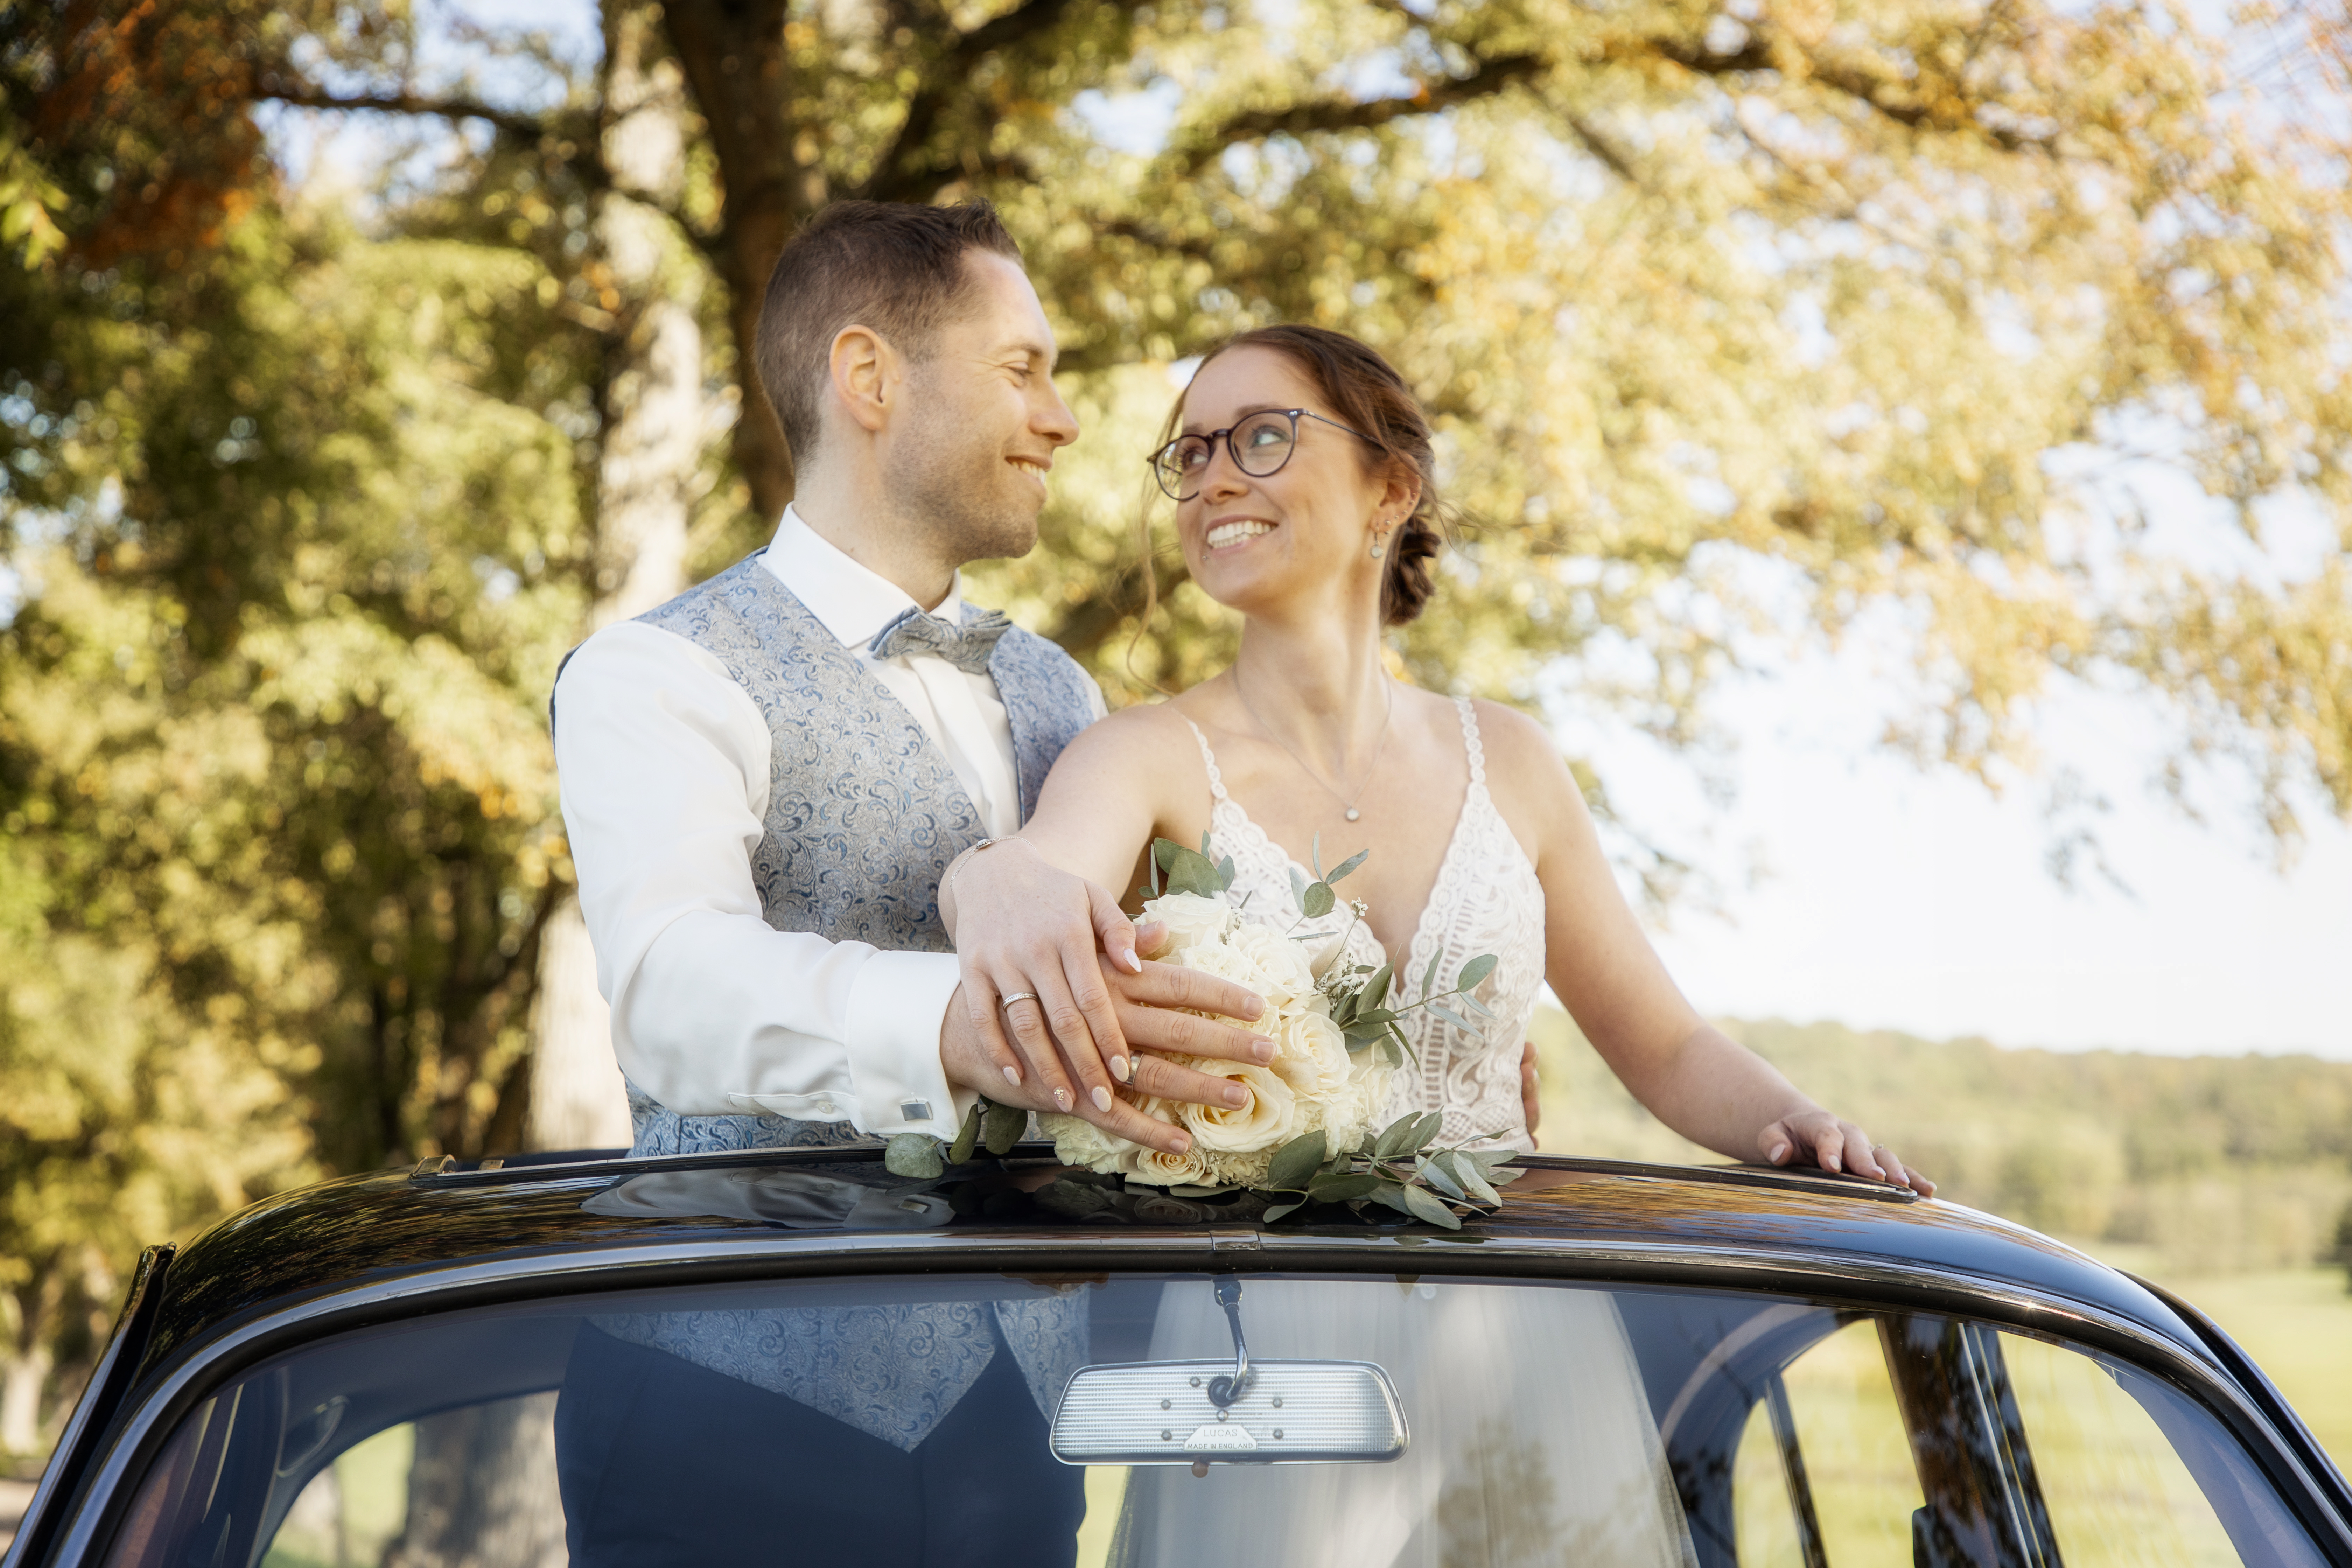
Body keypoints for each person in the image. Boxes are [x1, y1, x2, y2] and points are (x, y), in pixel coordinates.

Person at [939, 322, 1934, 1568]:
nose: (1213, 481)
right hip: (1278, 1383)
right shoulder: (1140, 757)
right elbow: (1038, 890)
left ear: (1390, 488)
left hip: (1526, 1347)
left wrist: (1800, 1129)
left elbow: (1666, 1042)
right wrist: (989, 882)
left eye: (1261, 437)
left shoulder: (1510, 759)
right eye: (1188, 455)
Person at [547, 199, 1266, 1567]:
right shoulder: (656, 671)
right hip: (721, 1415)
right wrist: (963, 1025)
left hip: (1023, 1429)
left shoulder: (1065, 693)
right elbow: (672, 992)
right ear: (869, 378)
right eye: (1024, 368)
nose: (1062, 418)